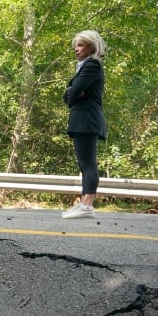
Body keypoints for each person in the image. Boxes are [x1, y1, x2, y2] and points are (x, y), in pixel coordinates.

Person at [61, 30, 107, 219]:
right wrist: (72, 93)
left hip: (87, 119)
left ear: (92, 47)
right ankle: (83, 202)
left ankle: (87, 205)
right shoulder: (83, 67)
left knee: (88, 163)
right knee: (83, 163)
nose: (76, 49)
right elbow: (68, 95)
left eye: (80, 45)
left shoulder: (92, 65)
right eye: (76, 45)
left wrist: (73, 93)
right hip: (82, 119)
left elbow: (73, 94)